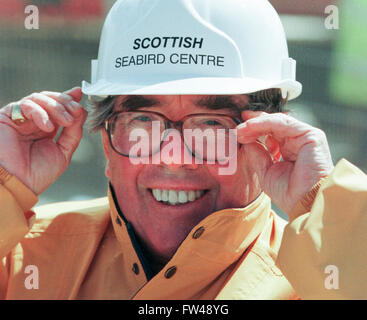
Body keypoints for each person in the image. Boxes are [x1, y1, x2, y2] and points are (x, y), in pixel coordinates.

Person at [0, 0, 366, 300]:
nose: (173, 156)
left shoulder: (319, 280)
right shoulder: (21, 260)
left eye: (211, 125)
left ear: (270, 141)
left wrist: (325, 205)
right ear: (106, 144)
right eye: (143, 121)